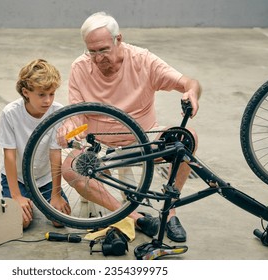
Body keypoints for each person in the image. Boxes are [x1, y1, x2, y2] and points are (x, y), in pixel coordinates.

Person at [59, 12, 201, 242]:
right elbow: (76, 113)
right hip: (101, 145)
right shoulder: (80, 67)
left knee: (188, 137)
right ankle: (135, 217)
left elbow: (188, 82)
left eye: (103, 50)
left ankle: (170, 211)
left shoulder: (143, 60)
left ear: (119, 39)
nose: (97, 58)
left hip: (144, 139)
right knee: (70, 169)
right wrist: (67, 127)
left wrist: (192, 92)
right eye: (92, 51)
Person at [0, 59, 71, 229]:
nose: (48, 101)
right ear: (26, 92)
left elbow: (55, 153)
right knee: (21, 223)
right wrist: (16, 195)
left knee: (61, 220)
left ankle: (35, 200)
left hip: (45, 179)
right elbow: (9, 154)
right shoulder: (10, 113)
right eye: (42, 95)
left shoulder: (57, 111)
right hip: (18, 178)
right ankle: (16, 197)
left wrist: (56, 194)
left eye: (51, 94)